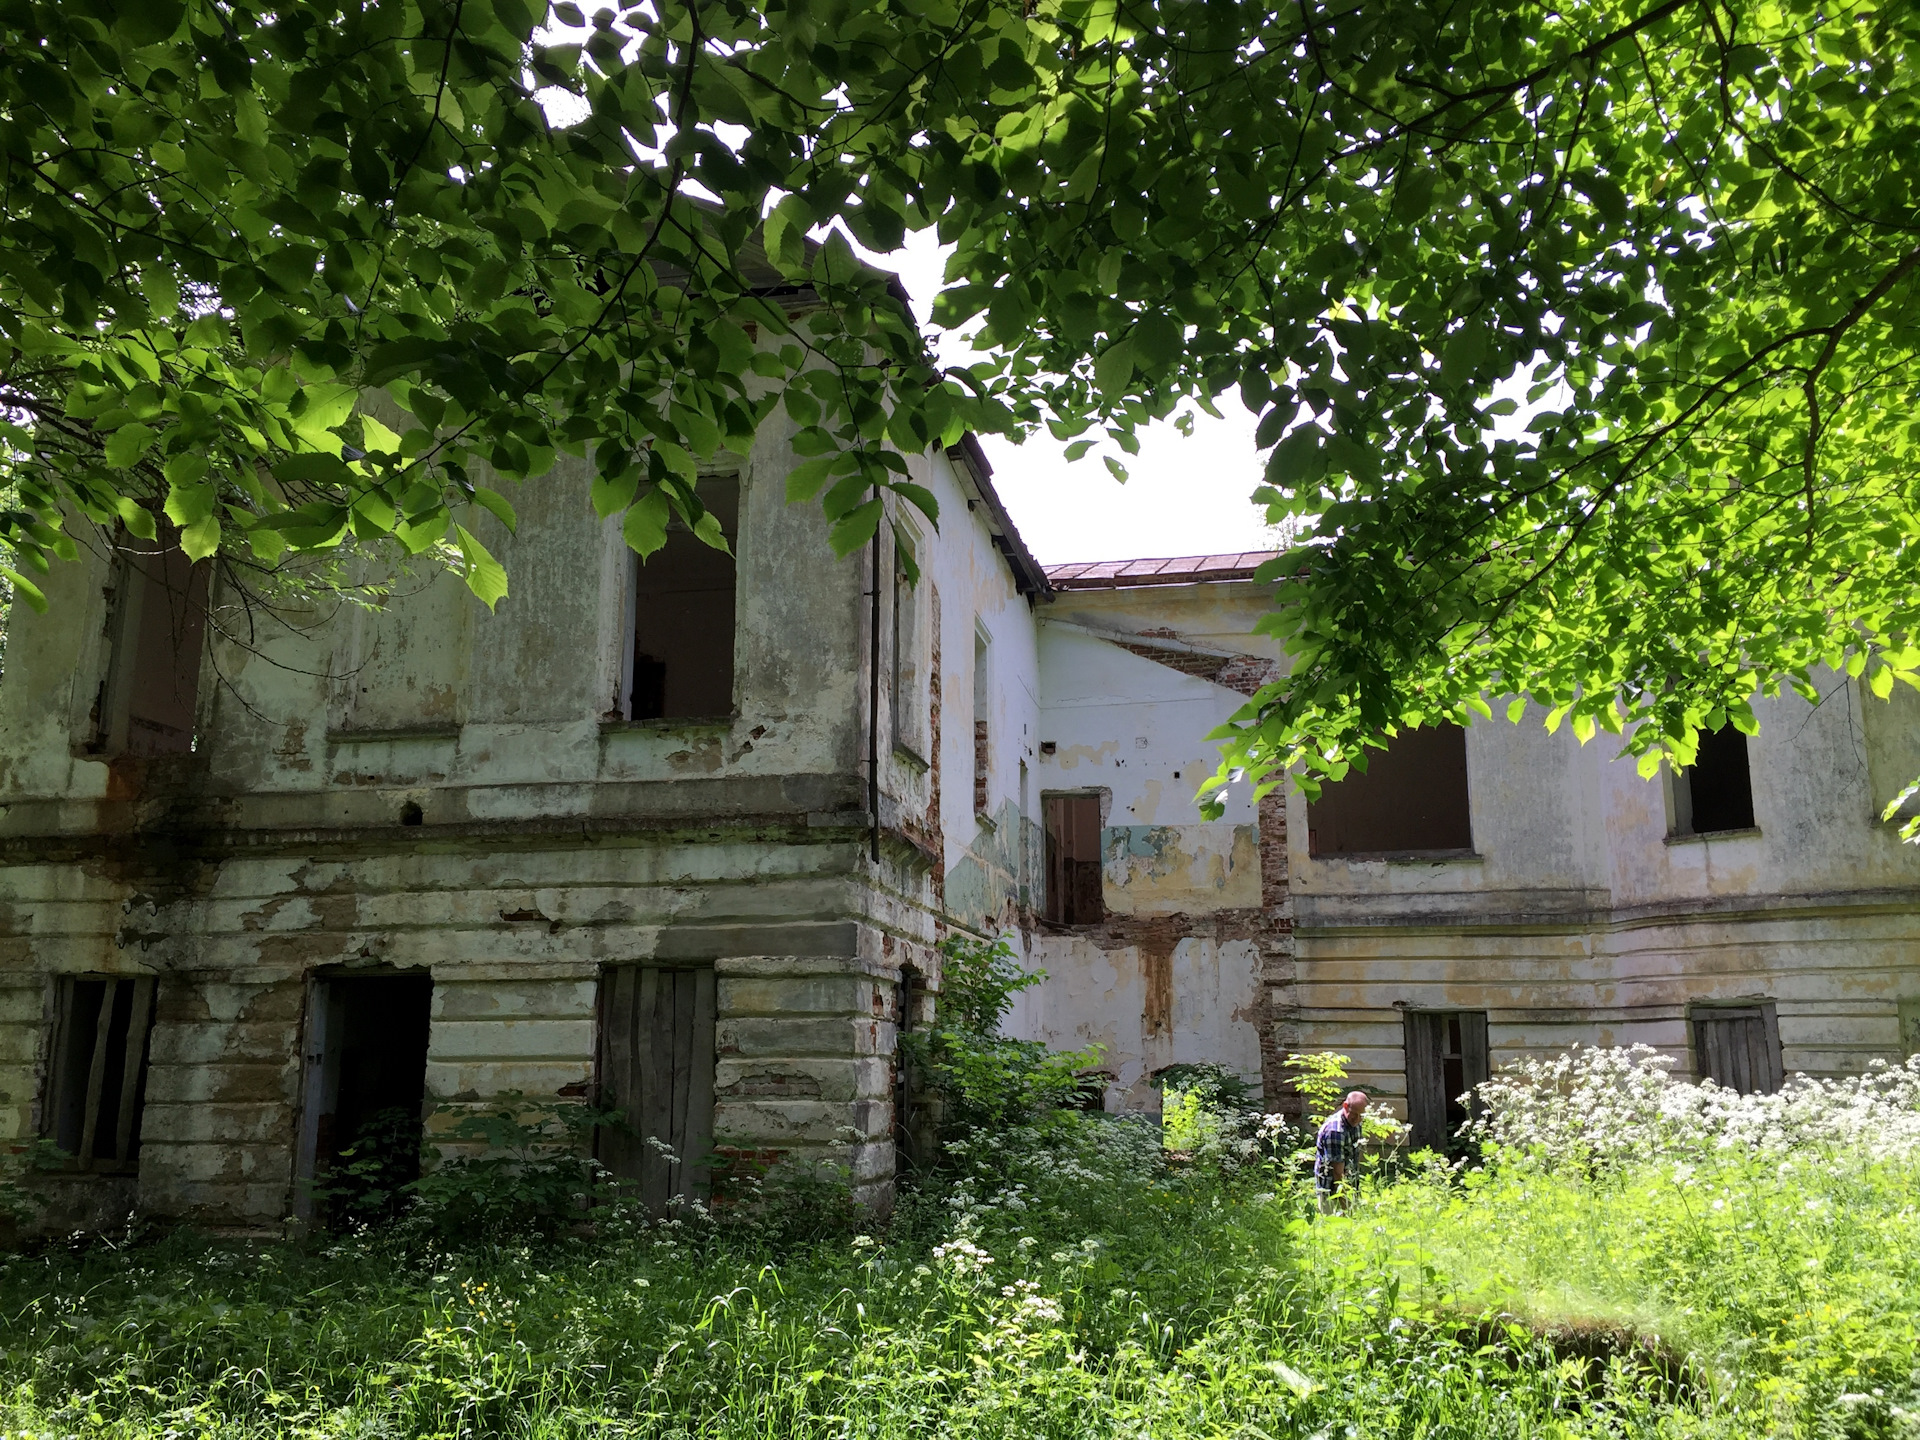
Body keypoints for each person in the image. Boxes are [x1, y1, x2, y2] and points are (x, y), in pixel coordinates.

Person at [1314, 1090, 1369, 1212]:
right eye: (1354, 1114)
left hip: (1349, 1184)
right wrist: (1347, 1207)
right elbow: (1337, 1174)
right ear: (1345, 1106)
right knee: (1331, 1227)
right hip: (1329, 1190)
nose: (1358, 1119)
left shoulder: (1356, 1122)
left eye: (1362, 1115)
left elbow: (1354, 1156)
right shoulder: (1335, 1131)